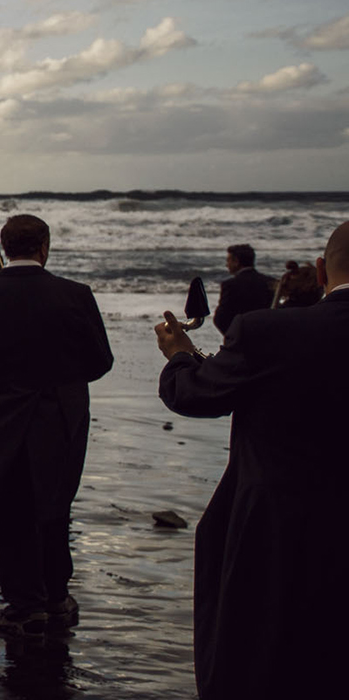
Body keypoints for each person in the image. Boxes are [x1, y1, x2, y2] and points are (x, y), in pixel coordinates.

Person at [155, 222, 349, 699]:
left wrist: (180, 355)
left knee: (267, 665)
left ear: (322, 271)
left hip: (281, 533)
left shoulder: (268, 332)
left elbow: (195, 395)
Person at [0, 214, 113, 636]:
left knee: (9, 510)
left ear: (5, 246)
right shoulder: (75, 294)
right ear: (44, 247)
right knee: (55, 507)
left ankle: (23, 604)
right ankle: (56, 595)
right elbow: (100, 361)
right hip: (59, 416)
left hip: (1, 414)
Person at [213, 244, 273, 340]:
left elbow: (221, 318)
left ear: (236, 262)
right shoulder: (269, 282)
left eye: (228, 260)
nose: (226, 265)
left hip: (239, 335)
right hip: (265, 335)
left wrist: (232, 337)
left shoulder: (230, 285)